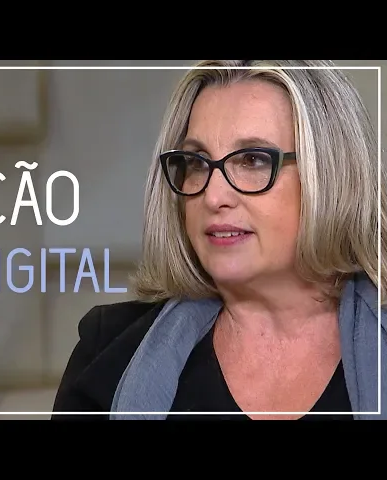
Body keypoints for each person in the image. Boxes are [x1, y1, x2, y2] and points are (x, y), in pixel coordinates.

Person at [51, 60, 386, 421]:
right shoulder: (108, 355)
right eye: (196, 163)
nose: (213, 197)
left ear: (331, 174)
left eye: (253, 160)